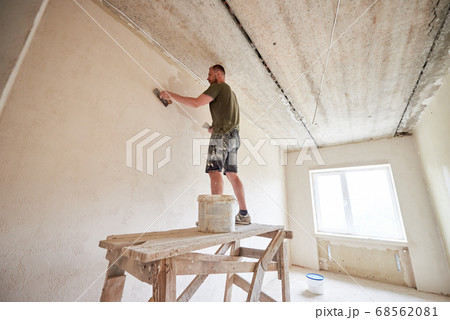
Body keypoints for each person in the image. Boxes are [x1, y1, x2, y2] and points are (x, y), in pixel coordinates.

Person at [160, 65, 250, 224]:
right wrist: (216, 126)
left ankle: (216, 216)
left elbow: (196, 103)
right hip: (234, 137)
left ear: (219, 74)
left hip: (222, 135)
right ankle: (244, 214)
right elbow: (228, 117)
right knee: (232, 175)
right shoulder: (231, 94)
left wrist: (171, 95)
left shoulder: (218, 86)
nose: (207, 78)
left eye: (210, 74)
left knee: (214, 170)